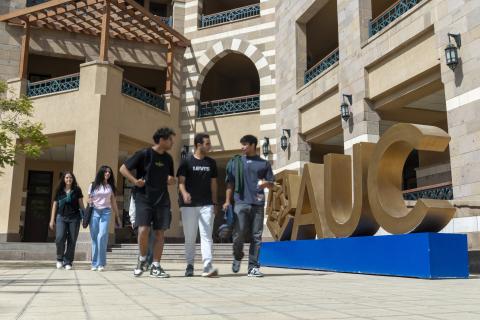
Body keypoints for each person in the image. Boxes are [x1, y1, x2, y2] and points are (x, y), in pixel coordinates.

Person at [120, 127, 176, 278]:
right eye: (170, 139)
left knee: (160, 232)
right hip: (143, 198)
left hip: (162, 199)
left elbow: (171, 178)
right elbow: (123, 169)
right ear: (162, 140)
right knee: (143, 230)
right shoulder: (144, 154)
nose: (172, 142)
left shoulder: (168, 159)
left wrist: (172, 180)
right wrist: (134, 181)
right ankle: (142, 259)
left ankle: (156, 266)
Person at [223, 135, 274, 277]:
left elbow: (272, 183)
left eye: (245, 144)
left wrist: (266, 184)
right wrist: (227, 201)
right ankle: (237, 256)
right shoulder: (236, 163)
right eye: (242, 144)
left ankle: (253, 267)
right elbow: (230, 183)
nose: (242, 147)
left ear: (253, 145)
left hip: (258, 203)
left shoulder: (264, 164)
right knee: (238, 235)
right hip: (240, 202)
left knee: (256, 236)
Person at [177, 133, 218, 277]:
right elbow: (181, 182)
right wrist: (184, 193)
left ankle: (207, 265)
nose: (210, 146)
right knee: (190, 236)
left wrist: (214, 202)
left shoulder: (211, 163)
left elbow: (214, 184)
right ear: (198, 145)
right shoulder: (186, 161)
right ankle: (190, 265)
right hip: (188, 205)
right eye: (207, 143)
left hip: (206, 204)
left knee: (207, 235)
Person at [49, 171, 85, 270]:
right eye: (66, 177)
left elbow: (81, 205)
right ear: (63, 179)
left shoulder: (77, 190)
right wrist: (52, 220)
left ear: (73, 179)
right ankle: (59, 258)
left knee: (72, 240)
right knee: (59, 238)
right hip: (61, 217)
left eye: (70, 177)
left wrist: (85, 217)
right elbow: (55, 205)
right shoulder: (59, 190)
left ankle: (68, 261)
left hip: (74, 218)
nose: (69, 179)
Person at [88, 165, 121, 271]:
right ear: (101, 173)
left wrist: (117, 216)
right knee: (94, 238)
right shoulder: (93, 185)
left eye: (109, 172)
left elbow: (113, 202)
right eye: (106, 172)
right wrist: (89, 201)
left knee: (102, 236)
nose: (108, 174)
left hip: (106, 212)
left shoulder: (110, 186)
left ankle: (101, 263)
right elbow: (88, 200)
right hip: (94, 212)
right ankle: (94, 263)